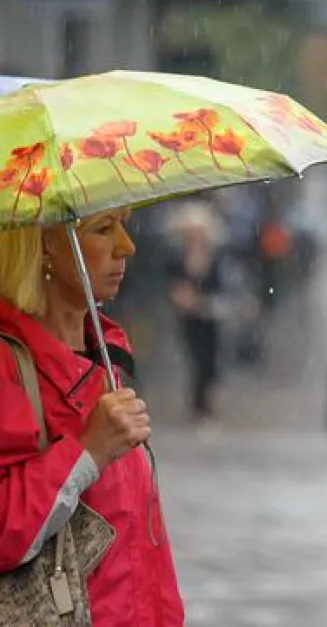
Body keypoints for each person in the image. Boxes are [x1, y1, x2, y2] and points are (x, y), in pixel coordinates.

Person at [0, 207, 184, 625]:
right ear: (44, 243)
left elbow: (143, 544)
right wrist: (87, 451)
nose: (127, 245)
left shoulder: (105, 355)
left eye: (124, 223)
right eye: (103, 229)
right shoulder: (8, 364)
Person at [166, 202, 228, 423]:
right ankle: (198, 405)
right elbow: (173, 286)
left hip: (210, 317)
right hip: (189, 319)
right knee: (196, 358)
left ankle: (207, 405)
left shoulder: (215, 259)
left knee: (209, 360)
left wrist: (201, 301)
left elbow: (221, 289)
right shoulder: (178, 258)